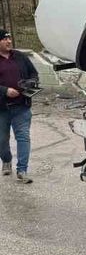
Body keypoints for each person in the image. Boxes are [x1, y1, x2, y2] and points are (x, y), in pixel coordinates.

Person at [0, 29, 38, 184]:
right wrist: (5, 91)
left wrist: (30, 83)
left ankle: (22, 170)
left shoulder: (20, 56)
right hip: (1, 109)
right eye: (4, 39)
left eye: (9, 38)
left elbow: (34, 74)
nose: (9, 41)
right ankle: (6, 160)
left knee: (23, 137)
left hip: (22, 106)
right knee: (2, 140)